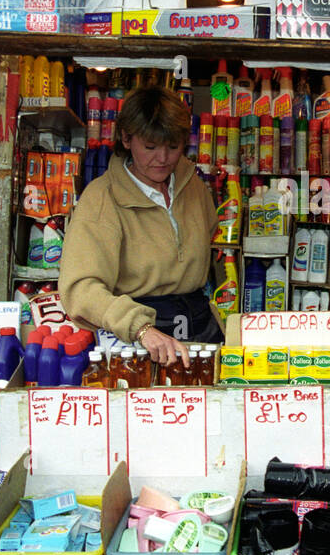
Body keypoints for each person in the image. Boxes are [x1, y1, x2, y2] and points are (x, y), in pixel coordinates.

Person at [59, 85, 222, 368]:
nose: (162, 158)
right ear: (125, 138)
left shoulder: (192, 183)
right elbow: (80, 289)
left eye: (173, 147)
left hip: (200, 327)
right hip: (135, 337)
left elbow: (208, 231)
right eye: (149, 147)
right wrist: (141, 328)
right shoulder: (102, 198)